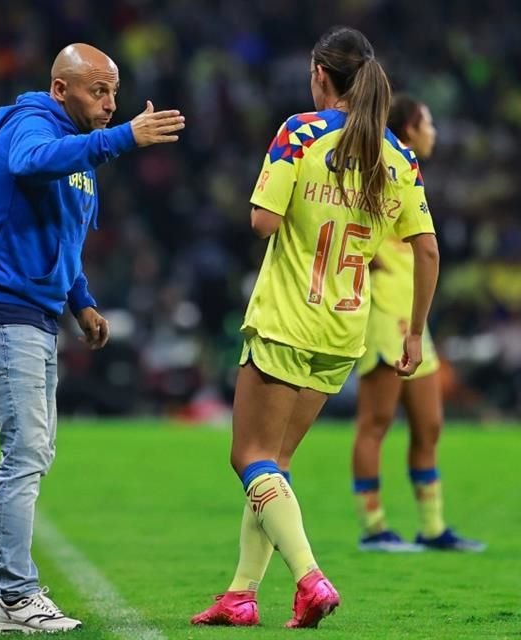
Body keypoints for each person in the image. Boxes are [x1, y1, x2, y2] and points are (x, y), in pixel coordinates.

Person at [191, 27, 439, 628]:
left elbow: (263, 222)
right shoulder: (400, 158)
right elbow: (427, 251)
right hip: (346, 332)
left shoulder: (301, 132)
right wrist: (413, 333)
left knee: (248, 457)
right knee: (274, 464)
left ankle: (309, 579)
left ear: (321, 77)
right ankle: (241, 593)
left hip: (286, 319)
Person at [0, 43, 185, 634]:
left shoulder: (80, 157)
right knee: (26, 456)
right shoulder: (30, 124)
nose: (111, 104)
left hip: (33, 313)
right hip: (5, 308)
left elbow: (65, 239)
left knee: (30, 454)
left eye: (114, 92)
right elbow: (33, 162)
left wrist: (81, 303)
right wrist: (124, 139)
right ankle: (14, 595)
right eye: (98, 91)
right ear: (62, 90)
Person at [351, 95, 485, 553]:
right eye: (428, 122)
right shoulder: (378, 168)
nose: (434, 132)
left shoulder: (407, 169)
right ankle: (374, 528)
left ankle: (432, 527)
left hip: (415, 317)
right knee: (376, 421)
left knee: (429, 424)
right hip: (385, 312)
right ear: (409, 127)